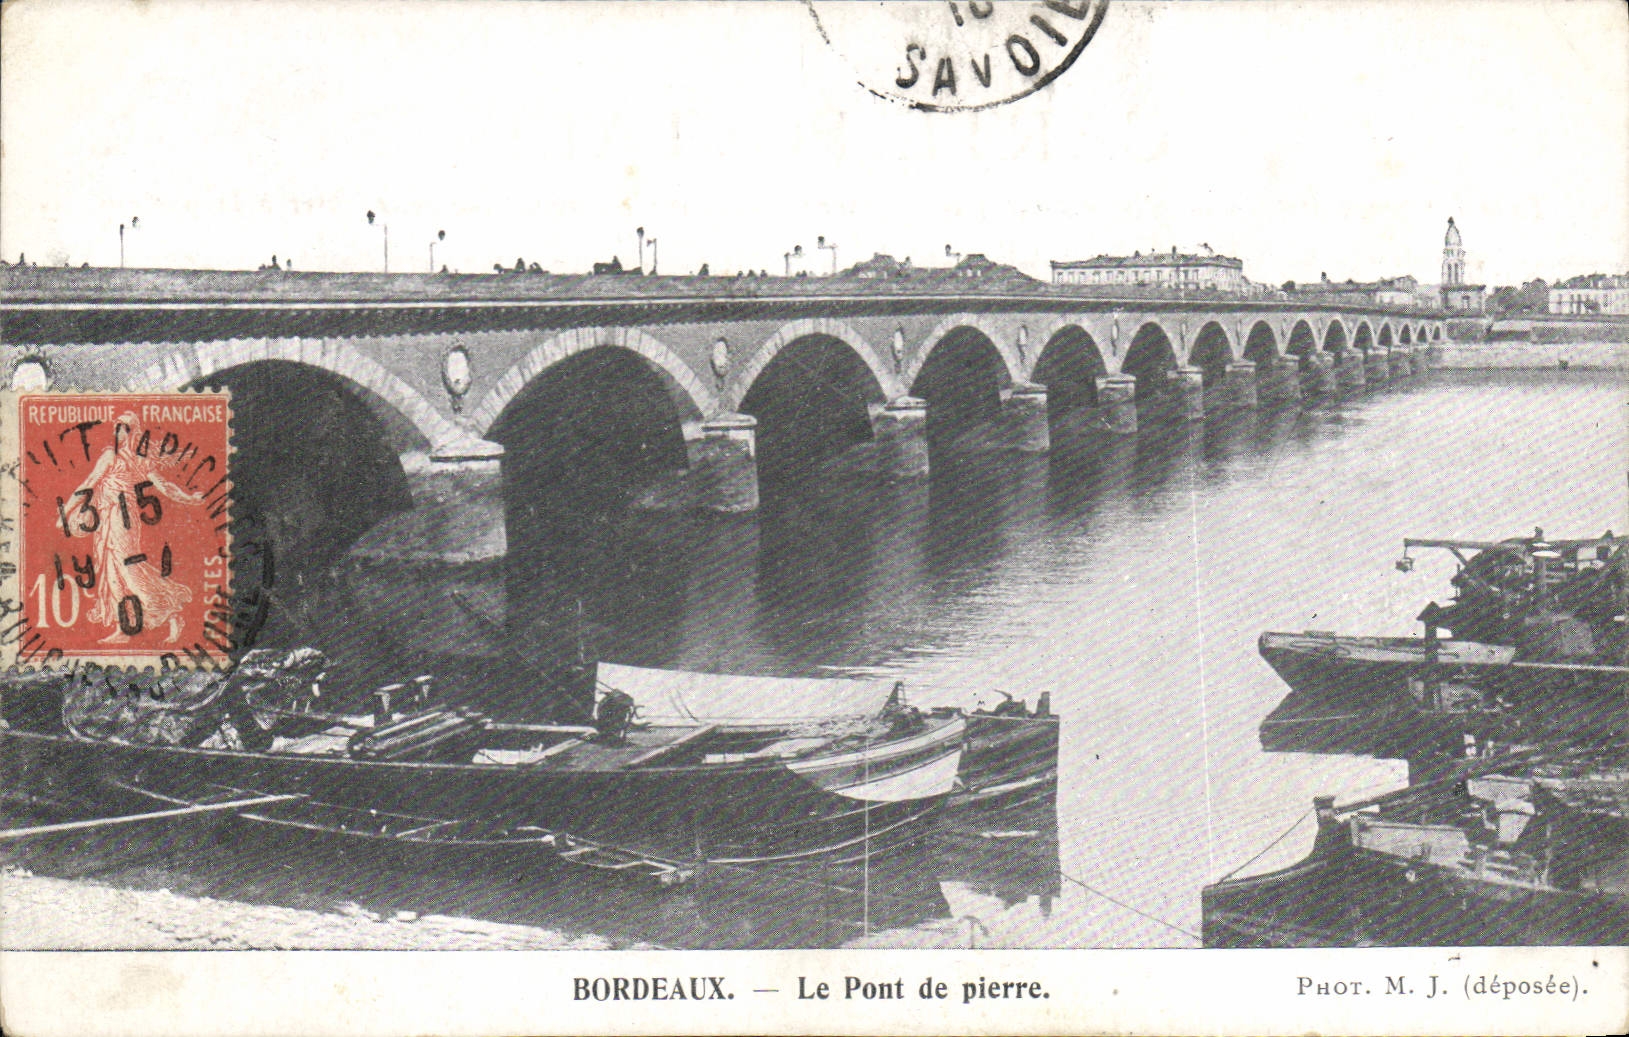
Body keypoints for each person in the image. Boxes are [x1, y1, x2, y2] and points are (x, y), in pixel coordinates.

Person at [69, 412, 208, 643]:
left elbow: (164, 486)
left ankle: (168, 610)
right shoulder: (109, 456)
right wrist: (68, 511)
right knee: (111, 570)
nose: (118, 431)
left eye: (123, 427)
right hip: (107, 518)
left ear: (132, 432)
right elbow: (89, 484)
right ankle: (125, 627)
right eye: (116, 427)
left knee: (128, 568)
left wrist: (189, 498)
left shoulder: (137, 459)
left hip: (124, 518)